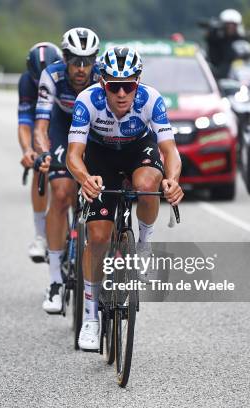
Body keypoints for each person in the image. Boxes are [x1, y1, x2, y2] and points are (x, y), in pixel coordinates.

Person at [62, 46, 183, 350]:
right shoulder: (87, 101)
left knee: (146, 185)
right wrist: (85, 179)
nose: (121, 94)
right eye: (114, 86)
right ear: (102, 82)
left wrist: (172, 180)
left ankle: (143, 244)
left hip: (137, 150)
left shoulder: (151, 99)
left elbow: (169, 150)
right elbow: (74, 155)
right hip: (101, 156)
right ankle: (90, 317)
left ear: (137, 82)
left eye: (128, 85)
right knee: (98, 237)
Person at [33, 27, 100, 314]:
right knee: (60, 192)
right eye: (76, 61)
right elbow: (41, 125)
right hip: (63, 129)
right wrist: (43, 152)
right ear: (66, 59)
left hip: (96, 132)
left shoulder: (103, 76)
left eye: (87, 62)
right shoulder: (53, 75)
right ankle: (55, 282)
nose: (82, 69)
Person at [18, 42, 63, 263]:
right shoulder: (26, 81)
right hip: (42, 128)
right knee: (40, 165)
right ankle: (40, 235)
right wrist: (28, 151)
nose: (41, 84)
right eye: (37, 80)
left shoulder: (66, 77)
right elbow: (25, 122)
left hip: (66, 125)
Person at [205, 9, 245, 79]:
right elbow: (209, 39)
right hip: (218, 69)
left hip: (236, 71)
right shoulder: (216, 38)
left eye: (233, 25)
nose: (231, 27)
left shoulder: (240, 39)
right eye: (228, 24)